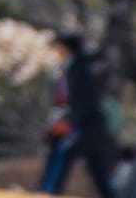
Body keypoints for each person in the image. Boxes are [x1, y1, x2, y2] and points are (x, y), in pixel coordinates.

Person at [40, 31, 115, 198]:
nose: (57, 50)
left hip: (85, 126)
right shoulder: (80, 66)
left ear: (66, 47)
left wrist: (67, 118)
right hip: (92, 126)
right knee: (98, 171)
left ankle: (52, 192)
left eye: (59, 46)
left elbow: (82, 101)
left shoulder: (78, 69)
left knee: (65, 154)